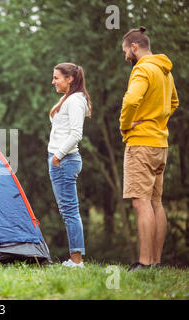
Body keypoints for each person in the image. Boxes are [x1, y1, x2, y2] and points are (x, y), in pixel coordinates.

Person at [120, 27, 179, 271]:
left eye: (125, 50)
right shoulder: (164, 70)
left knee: (140, 202)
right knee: (156, 202)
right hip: (160, 143)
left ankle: (144, 263)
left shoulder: (142, 68)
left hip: (141, 142)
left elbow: (131, 100)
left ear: (134, 46)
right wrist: (157, 120)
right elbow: (174, 102)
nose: (125, 56)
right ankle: (155, 262)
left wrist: (125, 125)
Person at [48, 62, 91, 268]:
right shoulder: (68, 98)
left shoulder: (75, 100)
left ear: (70, 79)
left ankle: (77, 261)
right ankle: (75, 259)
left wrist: (57, 156)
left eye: (57, 77)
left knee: (70, 211)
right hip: (61, 160)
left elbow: (76, 134)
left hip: (65, 161)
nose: (53, 81)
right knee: (67, 211)